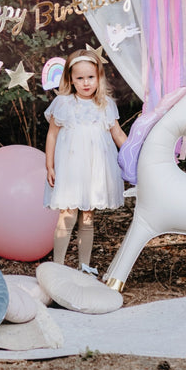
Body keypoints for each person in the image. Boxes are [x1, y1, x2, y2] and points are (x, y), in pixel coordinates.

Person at [44, 49, 127, 272]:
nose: (86, 83)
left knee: (88, 217)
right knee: (68, 214)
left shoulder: (106, 104)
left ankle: (84, 267)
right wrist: (50, 165)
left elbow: (117, 134)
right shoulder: (64, 103)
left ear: (99, 77)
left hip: (95, 169)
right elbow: (52, 134)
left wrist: (134, 155)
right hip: (71, 169)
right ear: (70, 79)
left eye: (90, 77)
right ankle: (57, 267)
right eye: (79, 78)